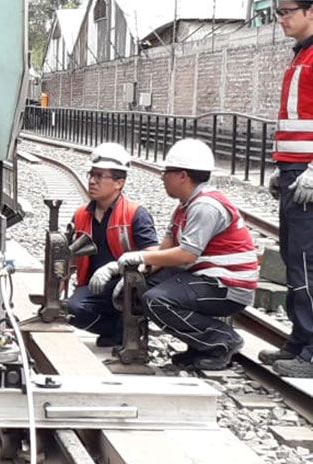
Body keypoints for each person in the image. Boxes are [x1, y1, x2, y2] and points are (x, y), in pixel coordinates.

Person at [114, 139, 258, 370]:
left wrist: (141, 257)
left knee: (158, 300)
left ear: (183, 175)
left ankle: (221, 340)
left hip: (228, 286)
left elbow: (186, 255)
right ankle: (199, 345)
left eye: (166, 172)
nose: (162, 178)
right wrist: (136, 275)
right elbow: (166, 249)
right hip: (209, 279)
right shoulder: (185, 206)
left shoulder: (205, 206)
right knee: (142, 289)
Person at [259, 0, 313, 378]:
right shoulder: (301, 54)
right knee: (295, 259)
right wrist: (286, 167)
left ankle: (310, 351)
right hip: (294, 172)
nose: (281, 18)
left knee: (307, 262)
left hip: (307, 174)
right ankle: (299, 340)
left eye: (288, 10)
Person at [66, 142, 160, 347]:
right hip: (93, 285)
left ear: (119, 182)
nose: (92, 181)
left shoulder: (135, 214)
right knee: (71, 310)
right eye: (91, 174)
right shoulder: (82, 214)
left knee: (127, 298)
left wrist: (121, 271)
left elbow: (155, 256)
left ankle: (128, 328)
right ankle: (115, 329)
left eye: (100, 176)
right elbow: (70, 257)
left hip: (125, 285)